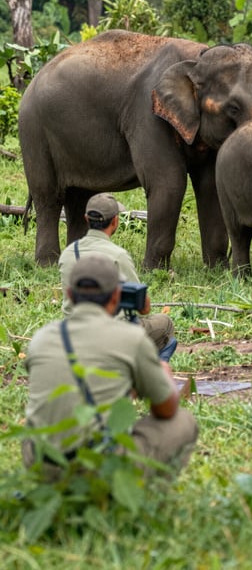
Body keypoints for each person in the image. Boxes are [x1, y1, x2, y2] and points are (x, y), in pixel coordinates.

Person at [24, 253, 198, 477]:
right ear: (117, 296)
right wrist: (163, 374)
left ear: (69, 295)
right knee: (183, 421)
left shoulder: (41, 339)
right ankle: (142, 500)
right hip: (98, 464)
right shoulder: (131, 339)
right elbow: (165, 409)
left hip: (41, 460)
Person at [58, 192, 177, 361]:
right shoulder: (117, 255)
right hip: (112, 335)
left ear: (86, 219)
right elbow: (142, 306)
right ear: (115, 221)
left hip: (74, 332)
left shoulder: (68, 254)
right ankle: (151, 371)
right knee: (165, 323)